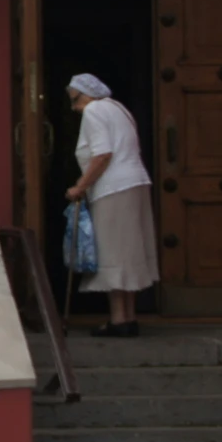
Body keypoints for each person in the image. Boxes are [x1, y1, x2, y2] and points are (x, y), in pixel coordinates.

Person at [65, 73, 159, 338]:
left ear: (87, 94)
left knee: (113, 252)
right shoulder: (119, 109)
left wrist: (80, 186)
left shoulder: (94, 111)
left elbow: (103, 154)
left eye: (75, 100)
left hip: (112, 188)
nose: (74, 108)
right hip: (135, 182)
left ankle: (118, 320)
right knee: (128, 250)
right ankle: (129, 317)